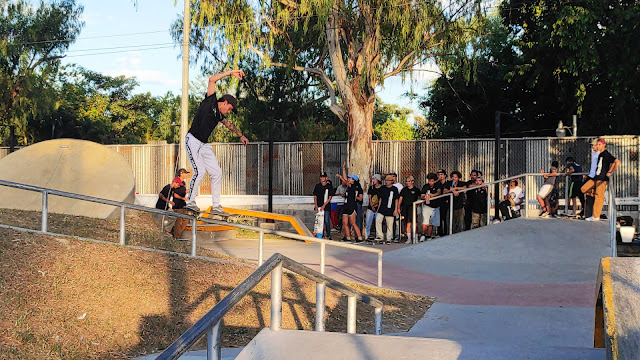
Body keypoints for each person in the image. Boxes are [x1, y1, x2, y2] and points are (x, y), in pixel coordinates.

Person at [184, 70, 249, 216]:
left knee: (216, 173)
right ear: (224, 102)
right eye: (229, 109)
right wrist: (232, 72)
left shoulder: (219, 115)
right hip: (193, 140)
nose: (228, 112)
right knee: (199, 170)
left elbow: (229, 125)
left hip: (204, 145)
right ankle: (190, 202)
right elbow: (212, 79)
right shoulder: (210, 101)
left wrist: (241, 135)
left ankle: (216, 206)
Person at [581, 138, 621, 221]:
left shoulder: (606, 154)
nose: (598, 146)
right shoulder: (600, 154)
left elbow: (617, 162)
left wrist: (611, 171)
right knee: (584, 188)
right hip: (596, 177)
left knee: (599, 197)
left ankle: (596, 216)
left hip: (602, 178)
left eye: (599, 145)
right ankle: (595, 196)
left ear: (604, 145)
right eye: (597, 144)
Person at [336, 162, 363, 242]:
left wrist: (340, 177)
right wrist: (343, 169)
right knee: (345, 222)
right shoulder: (348, 186)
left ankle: (359, 237)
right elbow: (345, 179)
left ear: (354, 180)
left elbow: (345, 181)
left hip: (352, 205)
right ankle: (347, 237)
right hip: (346, 205)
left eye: (350, 178)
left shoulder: (354, 186)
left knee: (353, 223)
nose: (349, 179)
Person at [375, 174, 400, 244]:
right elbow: (380, 198)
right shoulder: (382, 188)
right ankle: (380, 236)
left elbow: (396, 200)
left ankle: (389, 237)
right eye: (386, 180)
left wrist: (395, 209)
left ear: (391, 181)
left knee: (390, 224)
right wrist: (378, 208)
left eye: (389, 180)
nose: (387, 182)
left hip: (390, 208)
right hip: (382, 208)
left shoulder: (394, 189)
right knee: (378, 220)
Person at [398, 175, 422, 243]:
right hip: (405, 208)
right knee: (407, 223)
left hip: (413, 208)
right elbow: (400, 199)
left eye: (409, 181)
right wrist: (398, 207)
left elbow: (420, 197)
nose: (407, 183)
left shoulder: (416, 190)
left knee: (415, 223)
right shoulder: (404, 190)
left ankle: (416, 237)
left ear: (412, 182)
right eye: (406, 181)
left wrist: (418, 204)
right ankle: (409, 238)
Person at [313, 172, 335, 239]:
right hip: (319, 206)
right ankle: (320, 233)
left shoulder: (329, 186)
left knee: (326, 220)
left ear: (326, 178)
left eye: (324, 177)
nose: (322, 178)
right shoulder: (317, 186)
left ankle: (328, 234)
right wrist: (316, 205)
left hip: (326, 207)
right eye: (321, 177)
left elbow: (330, 197)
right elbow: (315, 196)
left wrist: (324, 205)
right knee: (319, 221)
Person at [420, 172, 441, 241]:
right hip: (427, 206)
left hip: (435, 207)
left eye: (432, 181)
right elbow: (422, 195)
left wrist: (432, 195)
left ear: (434, 181)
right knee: (425, 221)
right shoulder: (425, 186)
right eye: (429, 181)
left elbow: (438, 192)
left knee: (431, 222)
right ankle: (423, 235)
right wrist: (425, 196)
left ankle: (429, 235)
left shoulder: (437, 186)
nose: (430, 182)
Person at [364, 174, 383, 240]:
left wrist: (377, 207)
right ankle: (367, 235)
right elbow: (370, 197)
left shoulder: (382, 188)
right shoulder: (371, 188)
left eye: (375, 179)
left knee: (378, 222)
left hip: (378, 207)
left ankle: (378, 235)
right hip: (371, 207)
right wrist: (372, 205)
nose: (373, 181)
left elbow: (381, 199)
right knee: (368, 221)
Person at [436, 169, 449, 236]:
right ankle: (440, 232)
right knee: (439, 219)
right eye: (439, 175)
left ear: (445, 175)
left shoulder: (448, 183)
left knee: (446, 218)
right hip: (439, 203)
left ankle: (446, 232)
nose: (440, 176)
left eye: (441, 174)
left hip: (447, 204)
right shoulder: (437, 184)